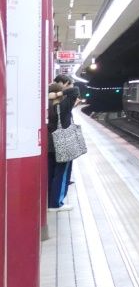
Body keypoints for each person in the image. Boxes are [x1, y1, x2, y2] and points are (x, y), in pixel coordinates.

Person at [47, 74, 79, 209]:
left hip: (50, 144)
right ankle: (56, 203)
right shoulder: (63, 106)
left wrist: (53, 92)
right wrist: (61, 92)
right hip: (63, 144)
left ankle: (49, 201)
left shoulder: (48, 106)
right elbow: (75, 90)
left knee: (51, 173)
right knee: (62, 173)